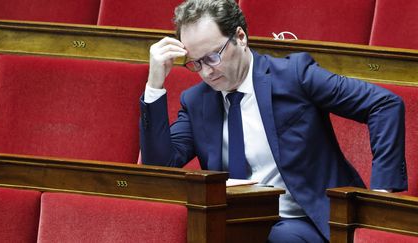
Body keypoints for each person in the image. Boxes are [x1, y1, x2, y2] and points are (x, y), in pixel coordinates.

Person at [139, 0, 408, 242]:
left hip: (307, 220)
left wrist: (380, 197)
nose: (206, 72)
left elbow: (384, 105)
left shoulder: (294, 76)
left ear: (240, 37)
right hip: (234, 223)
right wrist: (155, 84)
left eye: (212, 57)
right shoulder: (196, 100)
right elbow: (161, 168)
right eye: (195, 63)